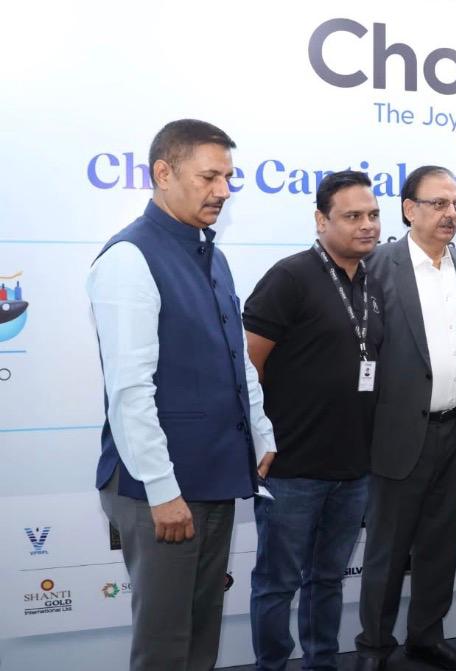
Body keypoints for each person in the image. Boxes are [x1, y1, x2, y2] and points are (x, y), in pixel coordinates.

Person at [87, 118, 276, 671]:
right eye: (209, 177)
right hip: (161, 489)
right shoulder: (129, 257)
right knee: (165, 645)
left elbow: (235, 358)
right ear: (163, 173)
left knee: (200, 632)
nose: (223, 190)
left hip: (212, 476)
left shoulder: (211, 255)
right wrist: (161, 490)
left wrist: (260, 432)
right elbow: (129, 390)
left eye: (228, 178)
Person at [244, 170, 383, 670]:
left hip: (354, 468)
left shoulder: (373, 281)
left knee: (328, 579)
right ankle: (273, 665)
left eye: (373, 215)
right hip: (291, 468)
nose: (367, 225)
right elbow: (248, 366)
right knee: (277, 583)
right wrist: (260, 441)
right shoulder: (290, 276)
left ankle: (322, 661)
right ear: (322, 220)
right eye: (352, 216)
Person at [355, 166, 456, 671]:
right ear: (409, 209)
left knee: (439, 544)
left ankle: (426, 637)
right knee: (387, 551)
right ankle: (374, 646)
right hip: (397, 433)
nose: (450, 213)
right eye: (438, 203)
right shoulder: (376, 265)